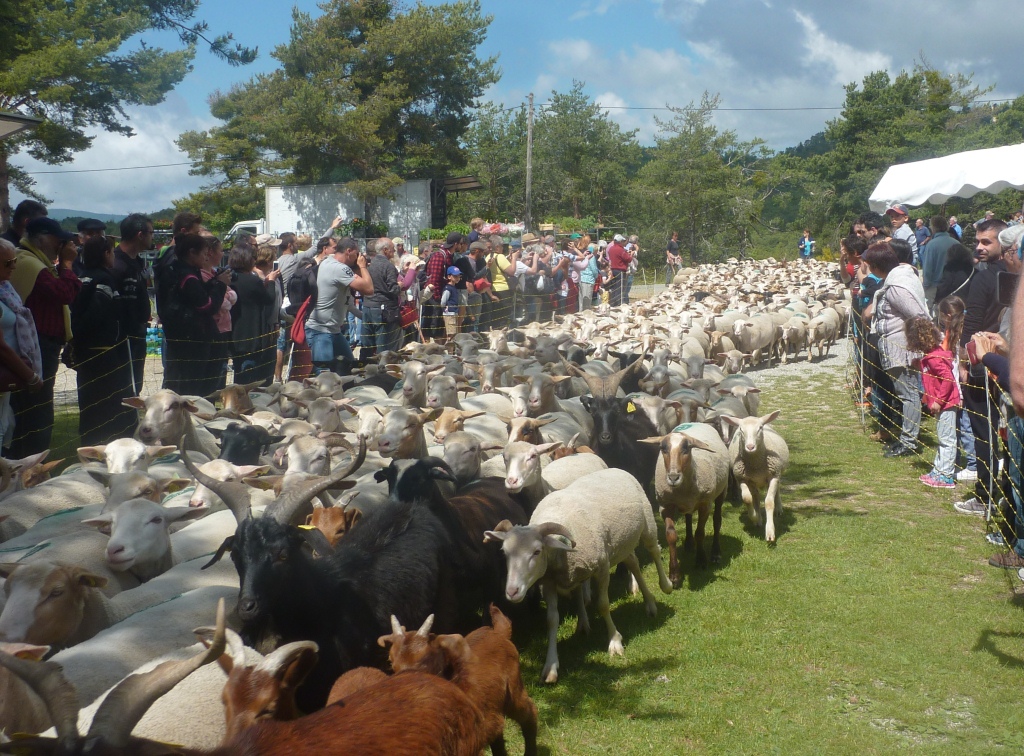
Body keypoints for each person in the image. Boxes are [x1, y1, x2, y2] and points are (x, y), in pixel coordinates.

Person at [8, 217, 81, 456]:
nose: (60, 244)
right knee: (36, 414)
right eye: (56, 239)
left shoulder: (38, 262)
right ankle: (29, 462)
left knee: (37, 411)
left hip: (41, 345)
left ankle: (29, 461)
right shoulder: (29, 263)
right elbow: (64, 293)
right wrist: (67, 264)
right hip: (34, 346)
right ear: (40, 239)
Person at [954, 219, 1010, 517]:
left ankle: (985, 494)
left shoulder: (986, 278)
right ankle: (1007, 495)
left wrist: (964, 362)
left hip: (984, 361)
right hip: (1009, 360)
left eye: (986, 241)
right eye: (977, 241)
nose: (979, 247)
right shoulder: (1013, 275)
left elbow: (972, 321)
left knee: (983, 430)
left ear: (1005, 243)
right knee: (1007, 432)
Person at [862, 241, 929, 458]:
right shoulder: (896, 280)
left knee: (908, 395)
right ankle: (905, 437)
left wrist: (915, 343)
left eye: (870, 265)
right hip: (896, 346)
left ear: (876, 266)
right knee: (905, 394)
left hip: (901, 348)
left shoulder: (896, 288)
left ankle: (909, 442)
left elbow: (918, 315)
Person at [72, 236, 136, 445]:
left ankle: (89, 440)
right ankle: (105, 442)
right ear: (105, 254)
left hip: (86, 351)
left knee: (89, 399)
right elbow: (96, 313)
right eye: (111, 252)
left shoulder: (82, 276)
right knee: (107, 401)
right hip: (102, 350)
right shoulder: (103, 279)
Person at [160, 234, 229, 396]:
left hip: (184, 337)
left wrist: (213, 282)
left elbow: (199, 295)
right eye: (204, 253)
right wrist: (220, 285)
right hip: (191, 340)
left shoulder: (180, 270)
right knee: (193, 389)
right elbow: (207, 306)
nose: (206, 257)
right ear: (192, 252)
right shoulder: (187, 276)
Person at [906, 316, 960, 488]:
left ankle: (946, 476)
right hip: (942, 404)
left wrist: (938, 401)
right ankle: (938, 470)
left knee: (947, 440)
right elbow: (933, 376)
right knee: (942, 437)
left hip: (946, 404)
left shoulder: (934, 358)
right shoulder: (930, 356)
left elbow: (948, 379)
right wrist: (920, 366)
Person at [305, 236, 372, 375]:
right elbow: (369, 289)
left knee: (349, 368)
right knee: (324, 375)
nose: (358, 257)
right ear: (349, 251)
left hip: (333, 330)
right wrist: (362, 266)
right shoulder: (339, 269)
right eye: (356, 253)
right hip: (321, 330)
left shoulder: (328, 261)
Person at [0, 239, 42, 450]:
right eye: (8, 263)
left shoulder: (5, 289)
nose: (14, 267)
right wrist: (30, 376)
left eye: (14, 261)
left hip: (5, 378)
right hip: (5, 369)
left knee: (5, 426)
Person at [110, 213, 154, 395]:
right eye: (151, 232)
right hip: (123, 340)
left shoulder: (137, 261)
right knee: (124, 389)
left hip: (138, 336)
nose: (153, 237)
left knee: (135, 386)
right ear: (140, 235)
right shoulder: (116, 264)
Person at [230, 245, 278, 385]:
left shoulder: (229, 278)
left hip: (234, 331)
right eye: (253, 258)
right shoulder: (252, 281)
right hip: (250, 332)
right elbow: (269, 299)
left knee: (239, 369)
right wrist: (271, 281)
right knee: (248, 373)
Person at [200, 234, 235, 391]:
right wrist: (225, 294)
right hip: (215, 329)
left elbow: (232, 295)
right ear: (210, 253)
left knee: (221, 371)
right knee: (213, 374)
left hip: (224, 328)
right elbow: (220, 302)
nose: (223, 254)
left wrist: (226, 295)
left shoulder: (215, 273)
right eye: (220, 250)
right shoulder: (203, 276)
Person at [362, 237, 401, 357]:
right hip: (382, 309)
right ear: (385, 250)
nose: (394, 251)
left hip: (367, 306)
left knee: (367, 344)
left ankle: (364, 365)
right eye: (392, 249)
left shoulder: (369, 265)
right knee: (383, 346)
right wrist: (400, 286)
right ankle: (381, 367)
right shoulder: (388, 266)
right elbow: (393, 289)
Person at [423, 232, 459, 340]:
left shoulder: (448, 256)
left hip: (441, 296)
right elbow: (434, 280)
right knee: (433, 325)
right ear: (456, 244)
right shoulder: (439, 256)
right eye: (460, 243)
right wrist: (438, 298)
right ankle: (430, 346)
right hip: (434, 297)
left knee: (438, 326)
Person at [486, 236, 521, 329]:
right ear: (497, 247)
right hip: (503, 290)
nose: (503, 248)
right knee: (504, 317)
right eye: (502, 246)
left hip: (493, 289)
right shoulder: (500, 257)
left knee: (496, 317)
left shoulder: (488, 257)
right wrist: (514, 258)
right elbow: (511, 271)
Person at [607, 234, 632, 307]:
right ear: (620, 241)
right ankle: (618, 303)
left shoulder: (611, 248)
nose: (624, 242)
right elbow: (628, 259)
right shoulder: (621, 250)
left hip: (613, 270)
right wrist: (631, 254)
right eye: (623, 241)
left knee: (614, 288)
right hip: (620, 270)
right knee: (620, 288)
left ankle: (612, 303)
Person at [440, 266, 462, 340]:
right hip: (449, 313)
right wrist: (445, 308)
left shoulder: (454, 287)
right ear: (449, 277)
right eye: (455, 276)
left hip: (454, 312)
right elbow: (443, 301)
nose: (457, 278)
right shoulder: (448, 288)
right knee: (451, 334)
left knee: (454, 334)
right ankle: (449, 347)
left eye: (459, 276)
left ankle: (450, 346)